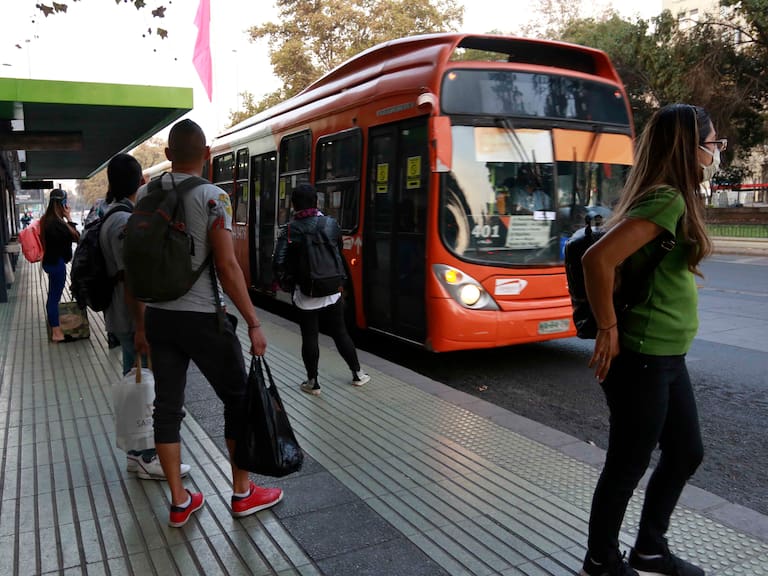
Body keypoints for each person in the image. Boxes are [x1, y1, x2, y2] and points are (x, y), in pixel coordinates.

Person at [578, 104, 718, 576]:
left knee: (685, 451)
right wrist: (608, 327)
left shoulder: (672, 197)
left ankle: (650, 549)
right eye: (712, 143)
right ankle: (601, 561)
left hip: (665, 355)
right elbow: (597, 261)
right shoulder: (667, 200)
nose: (715, 151)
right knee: (628, 462)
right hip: (641, 354)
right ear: (689, 147)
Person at [130, 119, 282, 528]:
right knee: (237, 400)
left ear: (167, 156)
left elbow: (137, 263)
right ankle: (243, 492)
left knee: (167, 407)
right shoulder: (216, 198)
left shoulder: (147, 192)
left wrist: (140, 325)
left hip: (160, 317)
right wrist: (253, 322)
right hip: (204, 319)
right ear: (207, 155)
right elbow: (227, 266)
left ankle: (180, 502)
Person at [100, 153, 191, 482]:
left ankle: (137, 453)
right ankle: (145, 455)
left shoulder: (111, 214)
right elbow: (132, 278)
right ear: (141, 182)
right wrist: (141, 327)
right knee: (145, 385)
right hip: (131, 318)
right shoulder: (124, 222)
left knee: (138, 381)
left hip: (121, 316)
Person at [273, 183, 370, 396]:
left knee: (309, 336)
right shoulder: (331, 223)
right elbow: (338, 249)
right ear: (316, 202)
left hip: (306, 290)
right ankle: (358, 374)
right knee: (340, 332)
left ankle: (313, 382)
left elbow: (278, 261)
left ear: (294, 205)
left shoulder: (290, 229)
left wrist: (288, 283)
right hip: (332, 288)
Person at [40, 189, 80, 342]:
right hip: (57, 263)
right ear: (61, 203)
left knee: (52, 296)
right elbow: (76, 237)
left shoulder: (46, 220)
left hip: (50, 262)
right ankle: (57, 333)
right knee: (53, 298)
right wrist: (69, 217)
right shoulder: (57, 223)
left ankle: (55, 329)